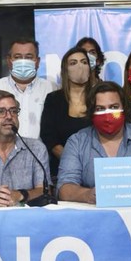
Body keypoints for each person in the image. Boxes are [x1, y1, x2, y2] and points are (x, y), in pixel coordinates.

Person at [57, 81, 131, 203]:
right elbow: (64, 188)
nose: (108, 115)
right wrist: (86, 195)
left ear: (124, 108)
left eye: (114, 107)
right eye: (100, 109)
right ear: (91, 112)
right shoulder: (77, 142)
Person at [0, 38, 59, 139]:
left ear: (37, 62)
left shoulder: (53, 89)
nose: (23, 62)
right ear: (9, 61)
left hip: (43, 153)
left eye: (29, 57)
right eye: (18, 57)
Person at [40, 47, 93, 179]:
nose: (80, 66)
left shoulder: (98, 97)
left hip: (96, 167)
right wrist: (72, 161)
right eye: (73, 63)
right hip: (63, 170)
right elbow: (49, 137)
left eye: (84, 62)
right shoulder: (53, 99)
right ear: (65, 70)